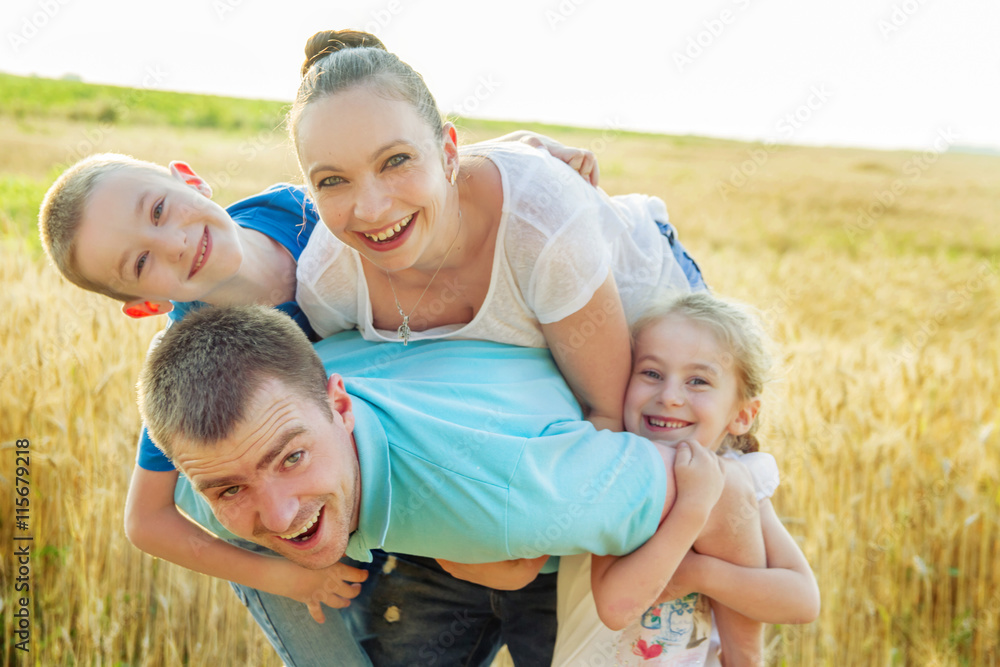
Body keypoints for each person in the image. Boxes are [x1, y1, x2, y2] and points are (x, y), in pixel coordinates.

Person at [36, 133, 600, 666]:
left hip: (479, 430)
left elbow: (404, 172)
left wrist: (517, 158)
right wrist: (295, 579)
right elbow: (146, 519)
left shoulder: (303, 211)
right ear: (144, 304)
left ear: (188, 178)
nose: (174, 242)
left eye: (158, 210)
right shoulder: (203, 363)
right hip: (388, 507)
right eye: (141, 263)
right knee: (215, 478)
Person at [136, 304, 771, 663]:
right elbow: (154, 518)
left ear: (341, 403)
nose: (276, 515)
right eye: (229, 491)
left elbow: (728, 493)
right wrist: (285, 572)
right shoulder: (216, 458)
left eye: (292, 458)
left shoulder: (505, 495)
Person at [292, 30, 706, 438]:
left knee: (706, 470)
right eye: (332, 181)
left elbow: (607, 419)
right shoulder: (328, 282)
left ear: (449, 153)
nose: (372, 209)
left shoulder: (542, 229)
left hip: (664, 316)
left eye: (395, 160)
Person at [553, 292, 820, 666]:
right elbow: (617, 606)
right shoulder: (618, 472)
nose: (670, 396)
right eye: (651, 373)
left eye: (698, 381)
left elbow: (802, 600)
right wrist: (693, 508)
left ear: (742, 414)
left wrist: (700, 573)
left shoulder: (738, 480)